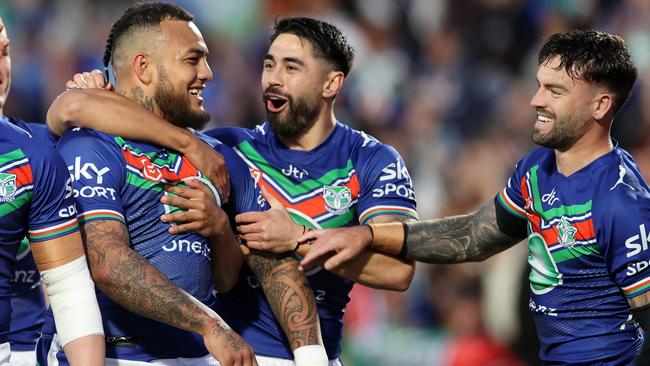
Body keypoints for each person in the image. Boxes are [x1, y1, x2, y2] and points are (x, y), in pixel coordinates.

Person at [48, 16, 418, 365]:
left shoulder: (369, 159)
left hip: (245, 348)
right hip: (212, 346)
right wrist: (181, 139)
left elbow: (397, 273)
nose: (272, 79)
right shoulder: (224, 149)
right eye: (269, 64)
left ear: (332, 84)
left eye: (292, 68)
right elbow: (72, 108)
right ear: (144, 67)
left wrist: (291, 238)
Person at [300, 30, 650, 365]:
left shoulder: (622, 202)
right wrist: (369, 235)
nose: (536, 100)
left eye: (554, 92)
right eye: (539, 86)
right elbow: (473, 236)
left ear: (600, 105)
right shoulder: (537, 169)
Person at [0, 18, 105, 365]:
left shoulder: (33, 154)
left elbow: (68, 287)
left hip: (23, 348)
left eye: (4, 53)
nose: (1, 68)